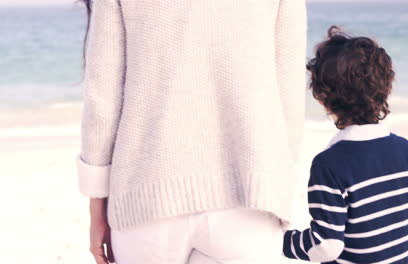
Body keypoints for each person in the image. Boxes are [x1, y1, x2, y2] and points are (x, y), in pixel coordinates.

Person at [76, 0, 307, 263]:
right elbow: (289, 94)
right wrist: (275, 183)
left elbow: (103, 100)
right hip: (249, 198)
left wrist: (97, 209)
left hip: (146, 201)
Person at [282, 26, 408, 263]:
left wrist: (281, 242)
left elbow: (327, 245)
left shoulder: (328, 165)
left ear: (322, 97)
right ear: (386, 88)